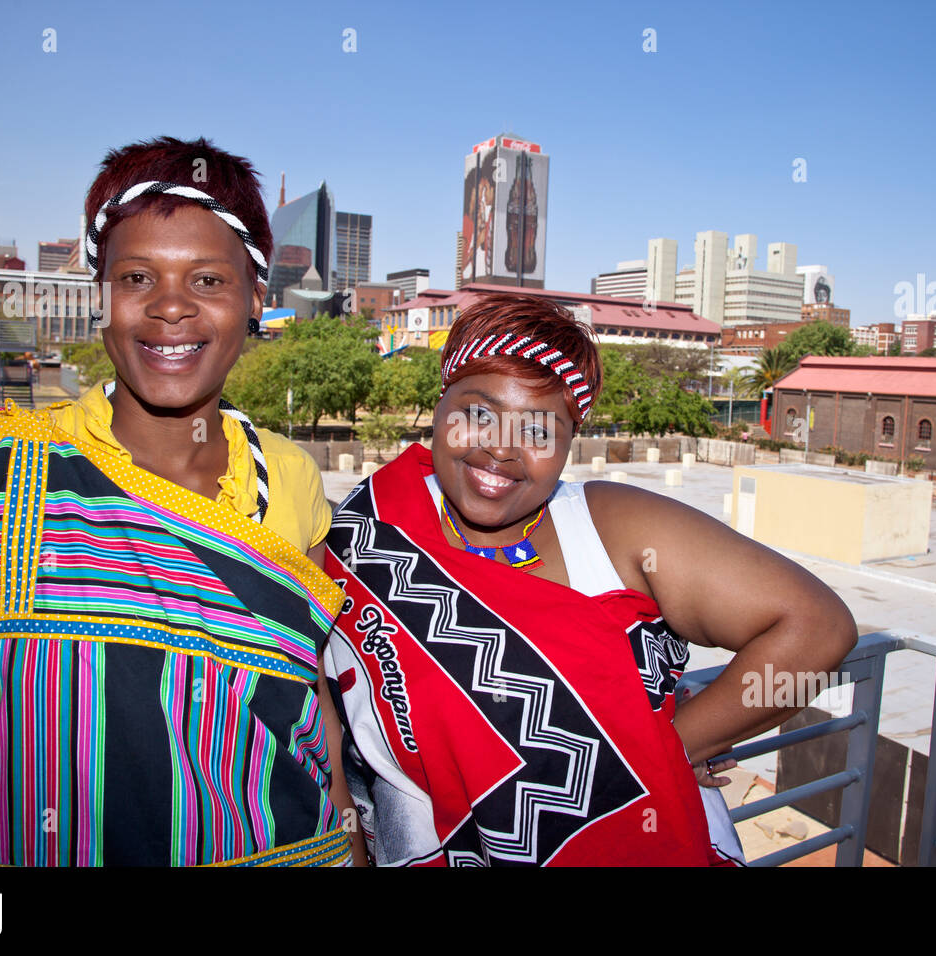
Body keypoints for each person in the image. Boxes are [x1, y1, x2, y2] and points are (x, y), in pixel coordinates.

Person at [0, 136, 363, 867]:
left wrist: (350, 844)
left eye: (209, 281)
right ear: (105, 296)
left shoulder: (289, 476)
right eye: (137, 277)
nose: (171, 308)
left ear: (255, 298)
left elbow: (306, 695)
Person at [323, 293, 857, 866]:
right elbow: (323, 717)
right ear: (439, 404)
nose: (502, 448)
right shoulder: (371, 526)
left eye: (539, 430)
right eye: (477, 413)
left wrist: (664, 748)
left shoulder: (612, 525)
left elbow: (819, 629)